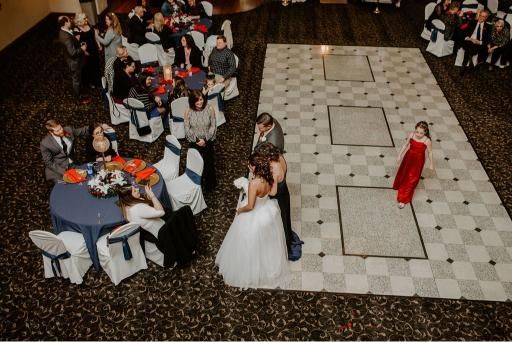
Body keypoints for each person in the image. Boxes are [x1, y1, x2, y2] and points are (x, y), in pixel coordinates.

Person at [215, 152, 290, 289]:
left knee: (247, 243)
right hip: (267, 211)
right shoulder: (268, 176)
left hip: (255, 214)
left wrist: (239, 210)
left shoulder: (254, 183)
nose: (248, 167)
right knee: (265, 243)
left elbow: (250, 206)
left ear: (254, 167)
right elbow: (270, 193)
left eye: (250, 165)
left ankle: (249, 271)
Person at [255, 142, 294, 258]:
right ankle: (287, 240)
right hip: (285, 192)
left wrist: (261, 191)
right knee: (286, 219)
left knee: (281, 224)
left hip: (278, 198)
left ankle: (284, 249)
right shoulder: (280, 156)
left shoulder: (274, 169)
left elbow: (273, 192)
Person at [393, 121, 434, 209]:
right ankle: (400, 186)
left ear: (425, 132)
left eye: (421, 133)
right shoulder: (412, 135)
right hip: (408, 158)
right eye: (417, 132)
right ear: (415, 130)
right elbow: (405, 145)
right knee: (405, 174)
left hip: (418, 162)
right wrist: (399, 155)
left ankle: (403, 199)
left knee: (411, 179)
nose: (418, 134)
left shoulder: (427, 141)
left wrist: (431, 164)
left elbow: (430, 152)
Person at [184, 90, 217, 191]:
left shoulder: (210, 108)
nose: (200, 102)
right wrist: (197, 140)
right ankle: (195, 184)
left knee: (208, 163)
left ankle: (210, 185)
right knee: (194, 163)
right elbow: (186, 128)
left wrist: (206, 139)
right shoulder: (188, 111)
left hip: (207, 139)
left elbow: (213, 126)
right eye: (197, 101)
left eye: (201, 99)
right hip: (194, 140)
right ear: (192, 102)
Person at [57, 15, 91, 104]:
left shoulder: (63, 31)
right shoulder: (65, 36)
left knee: (78, 79)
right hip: (74, 63)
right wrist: (82, 49)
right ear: (65, 23)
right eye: (69, 21)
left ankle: (80, 93)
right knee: (76, 81)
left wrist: (75, 40)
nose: (70, 22)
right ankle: (78, 99)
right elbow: (72, 52)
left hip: (74, 61)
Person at [74, 12, 101, 88]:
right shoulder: (76, 30)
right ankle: (91, 82)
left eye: (86, 18)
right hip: (86, 52)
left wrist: (98, 45)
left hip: (94, 48)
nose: (86, 20)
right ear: (79, 21)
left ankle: (97, 80)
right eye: (84, 19)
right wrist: (85, 52)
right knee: (89, 67)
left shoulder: (88, 24)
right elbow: (77, 44)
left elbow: (94, 35)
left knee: (96, 64)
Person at [459, 9, 491, 74]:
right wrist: (469, 38)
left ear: (486, 18)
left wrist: (479, 42)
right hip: (469, 40)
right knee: (470, 45)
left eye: (484, 16)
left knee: (471, 47)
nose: (481, 17)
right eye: (480, 15)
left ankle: (464, 65)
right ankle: (470, 64)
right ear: (479, 15)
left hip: (479, 43)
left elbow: (488, 39)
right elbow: (466, 32)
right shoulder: (472, 22)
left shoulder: (488, 27)